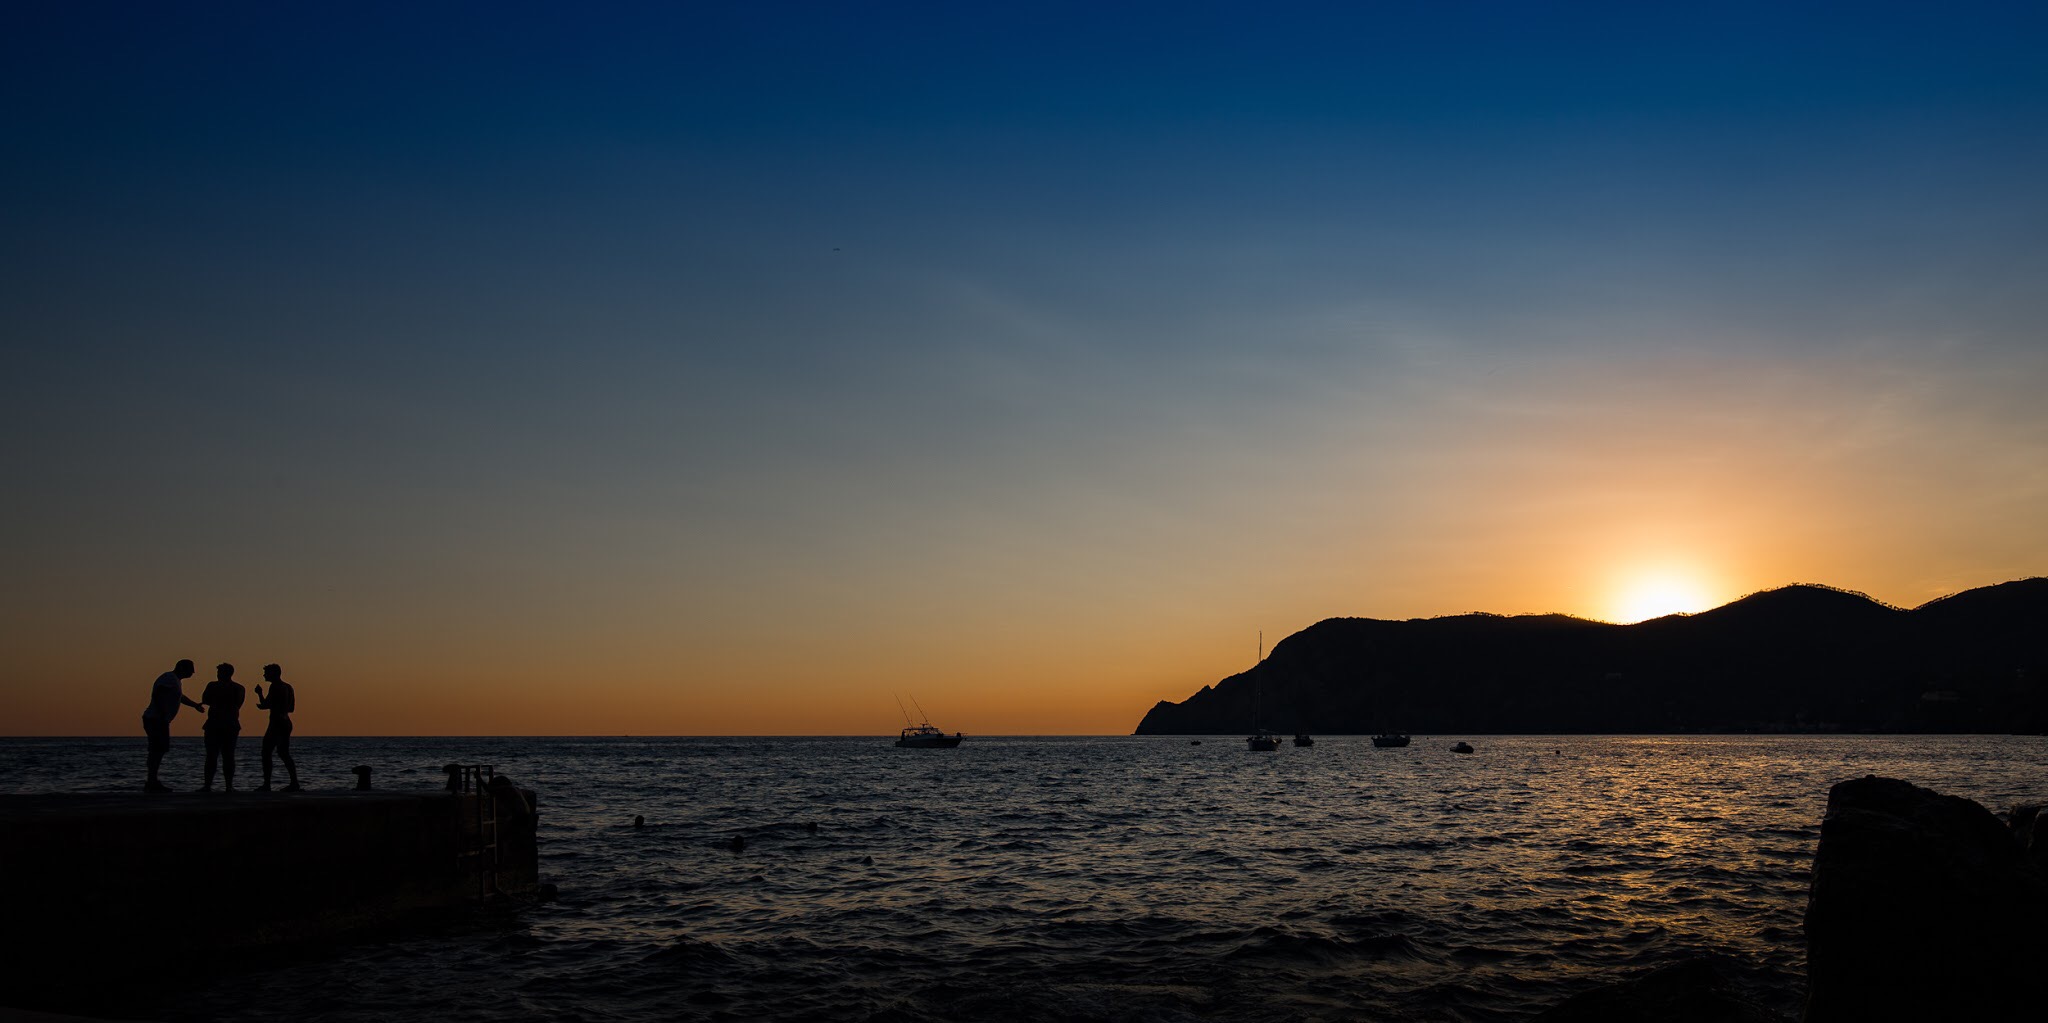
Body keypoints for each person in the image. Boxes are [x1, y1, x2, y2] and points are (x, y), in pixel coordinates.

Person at [141, 659, 202, 792]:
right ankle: (151, 782)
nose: (193, 672)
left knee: (158, 750)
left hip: (159, 719)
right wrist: (162, 712)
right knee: (156, 750)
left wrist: (195, 705)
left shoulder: (175, 681)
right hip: (156, 719)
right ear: (182, 668)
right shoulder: (169, 678)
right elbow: (158, 693)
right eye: (190, 669)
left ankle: (152, 780)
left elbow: (180, 697)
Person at [199, 662, 246, 791]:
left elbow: (206, 699)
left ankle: (213, 785)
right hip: (226, 724)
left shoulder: (214, 686)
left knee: (216, 755)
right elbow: (238, 703)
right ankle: (226, 786)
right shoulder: (239, 688)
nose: (218, 675)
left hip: (219, 724)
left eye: (220, 672)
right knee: (225, 755)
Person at [253, 663, 299, 792]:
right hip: (286, 722)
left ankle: (267, 784)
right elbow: (291, 708)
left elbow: (265, 705)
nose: (264, 675)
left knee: (266, 752)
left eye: (266, 673)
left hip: (276, 723)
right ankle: (294, 782)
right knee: (284, 753)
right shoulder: (288, 687)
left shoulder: (275, 686)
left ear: (273, 673)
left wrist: (259, 693)